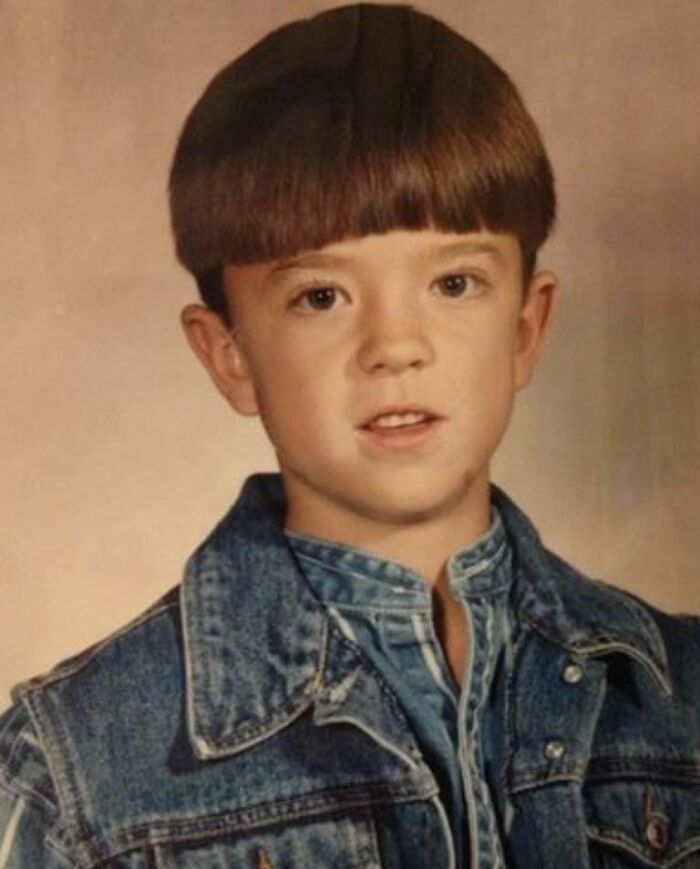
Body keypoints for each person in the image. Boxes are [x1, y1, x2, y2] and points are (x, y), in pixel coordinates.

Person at [1, 4, 699, 867]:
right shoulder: (83, 764)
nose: (396, 346)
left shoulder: (685, 696)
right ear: (230, 357)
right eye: (322, 297)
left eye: (453, 281)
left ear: (527, 326)